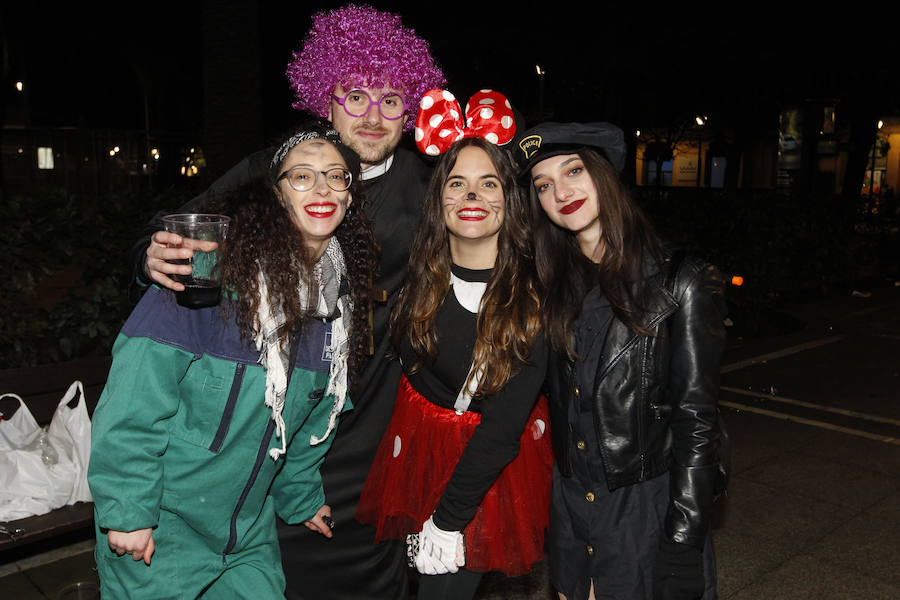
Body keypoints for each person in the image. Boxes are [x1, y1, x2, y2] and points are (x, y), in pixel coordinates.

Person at [127, 5, 446, 598]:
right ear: (326, 99)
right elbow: (178, 233)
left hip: (373, 413)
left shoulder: (432, 187)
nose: (372, 116)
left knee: (368, 566)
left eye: (391, 98)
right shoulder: (281, 168)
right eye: (355, 95)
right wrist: (150, 254)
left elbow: (503, 239)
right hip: (278, 405)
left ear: (412, 107)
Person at [88, 121, 378, 598]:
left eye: (336, 176)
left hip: (247, 536)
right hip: (161, 528)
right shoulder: (204, 280)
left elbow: (310, 422)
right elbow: (131, 402)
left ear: (350, 199)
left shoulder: (336, 311)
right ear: (275, 195)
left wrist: (302, 498)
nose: (322, 186)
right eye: (302, 175)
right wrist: (127, 510)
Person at [355, 90, 554, 600]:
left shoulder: (533, 301)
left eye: (488, 184)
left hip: (484, 472)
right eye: (457, 183)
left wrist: (446, 524)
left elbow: (504, 427)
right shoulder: (419, 276)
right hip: (413, 452)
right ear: (438, 198)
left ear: (509, 199)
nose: (471, 197)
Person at [515, 122, 726, 600]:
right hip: (570, 503)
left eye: (573, 171)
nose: (559, 191)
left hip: (644, 508)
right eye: (543, 185)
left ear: (605, 175)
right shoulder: (552, 285)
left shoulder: (680, 281)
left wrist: (683, 539)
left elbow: (698, 423)